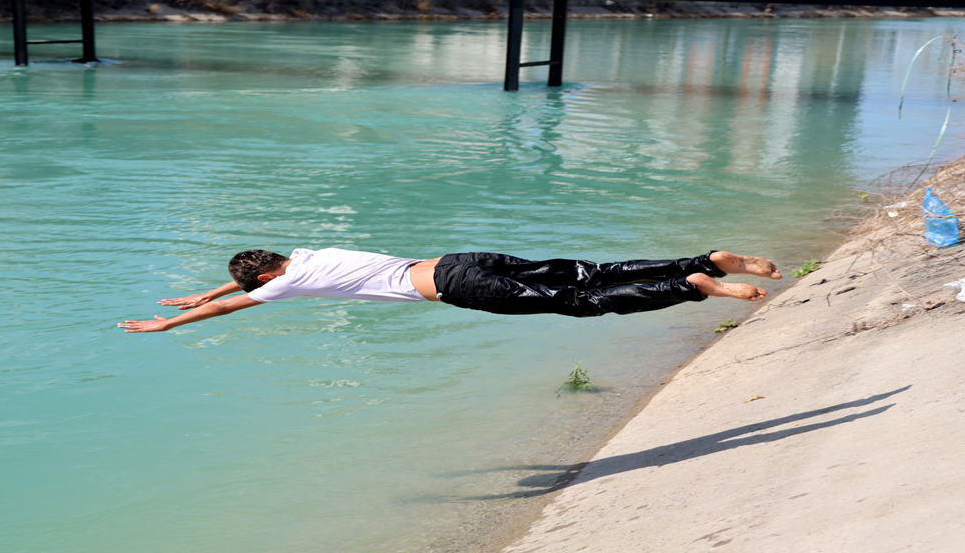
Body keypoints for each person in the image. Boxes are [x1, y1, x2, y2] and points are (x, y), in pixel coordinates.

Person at [117, 248, 781, 333]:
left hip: (463, 288)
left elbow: (240, 300)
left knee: (584, 304)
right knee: (591, 274)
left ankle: (693, 288)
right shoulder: (308, 253)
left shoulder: (291, 286)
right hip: (461, 255)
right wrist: (200, 292)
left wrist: (170, 323)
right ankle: (702, 259)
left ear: (266, 280)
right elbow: (242, 279)